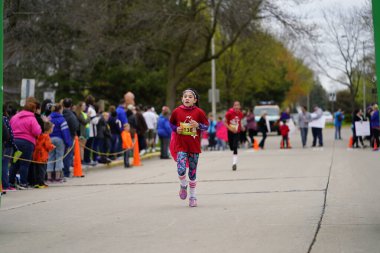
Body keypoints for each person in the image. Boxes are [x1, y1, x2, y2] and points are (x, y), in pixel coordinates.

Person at [170, 88, 208, 207]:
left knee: (192, 172)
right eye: (185, 96)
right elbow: (171, 124)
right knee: (181, 169)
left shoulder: (199, 112)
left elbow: (206, 126)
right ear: (182, 99)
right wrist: (176, 129)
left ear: (195, 100)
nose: (187, 98)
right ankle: (183, 184)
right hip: (181, 145)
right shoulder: (177, 111)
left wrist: (198, 125)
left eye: (190, 97)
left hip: (194, 146)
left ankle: (193, 196)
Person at [9, 97, 42, 189]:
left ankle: (10, 182)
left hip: (15, 142)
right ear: (33, 109)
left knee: (15, 162)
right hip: (27, 143)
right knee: (24, 163)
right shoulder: (32, 118)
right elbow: (37, 131)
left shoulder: (15, 117)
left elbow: (10, 127)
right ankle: (23, 183)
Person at [47, 104, 73, 183]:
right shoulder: (62, 119)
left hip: (49, 139)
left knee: (50, 157)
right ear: (60, 110)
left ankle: (49, 177)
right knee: (59, 157)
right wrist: (68, 143)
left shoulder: (48, 118)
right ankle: (58, 177)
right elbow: (65, 132)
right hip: (59, 140)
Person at [31, 121, 55, 188]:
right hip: (43, 156)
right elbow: (48, 146)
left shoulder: (39, 135)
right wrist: (52, 146)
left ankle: (36, 183)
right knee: (42, 170)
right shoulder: (46, 137)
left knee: (36, 170)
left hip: (36, 156)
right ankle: (41, 183)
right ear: (50, 129)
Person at [62, 98, 79, 178]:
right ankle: (66, 172)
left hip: (61, 136)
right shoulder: (72, 115)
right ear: (71, 105)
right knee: (68, 155)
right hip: (70, 136)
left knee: (61, 154)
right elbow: (75, 126)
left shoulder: (60, 113)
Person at [2, 107, 18, 192]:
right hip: (6, 145)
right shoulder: (4, 119)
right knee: (4, 166)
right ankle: (5, 185)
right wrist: (13, 145)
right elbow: (9, 134)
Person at [224, 101, 244, 171]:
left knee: (235, 147)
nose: (236, 107)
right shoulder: (229, 113)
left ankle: (234, 163)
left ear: (240, 107)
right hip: (230, 131)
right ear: (233, 106)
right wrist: (231, 128)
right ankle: (232, 150)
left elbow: (239, 122)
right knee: (231, 147)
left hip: (237, 132)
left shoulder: (241, 114)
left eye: (238, 105)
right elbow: (225, 122)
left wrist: (241, 127)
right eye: (235, 105)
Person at [83, 95, 100, 165]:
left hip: (85, 129)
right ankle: (87, 160)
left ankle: (86, 159)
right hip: (91, 131)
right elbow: (95, 121)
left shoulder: (85, 108)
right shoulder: (91, 109)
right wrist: (99, 118)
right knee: (89, 146)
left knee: (86, 146)